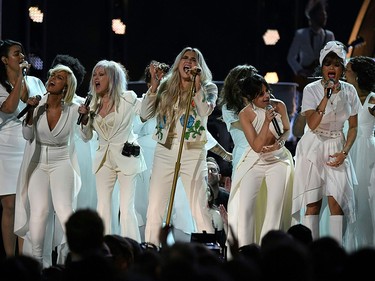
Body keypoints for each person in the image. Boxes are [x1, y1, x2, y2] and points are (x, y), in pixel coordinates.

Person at [140, 47, 218, 247]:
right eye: (185, 58)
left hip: (193, 152)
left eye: (194, 59)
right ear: (178, 63)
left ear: (199, 66)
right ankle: (151, 247)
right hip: (165, 151)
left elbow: (204, 110)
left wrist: (197, 85)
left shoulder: (208, 88)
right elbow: (144, 114)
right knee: (155, 206)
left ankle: (208, 251)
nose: (189, 61)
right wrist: (154, 86)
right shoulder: (166, 87)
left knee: (198, 205)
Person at [291, 41, 361, 248]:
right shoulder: (312, 90)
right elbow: (312, 125)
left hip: (337, 146)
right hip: (313, 146)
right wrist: (325, 97)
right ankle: (309, 254)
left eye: (337, 64)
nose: (332, 68)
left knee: (337, 203)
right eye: (328, 64)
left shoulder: (349, 92)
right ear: (322, 67)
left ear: (342, 68)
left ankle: (335, 257)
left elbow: (354, 126)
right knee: (312, 204)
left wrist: (345, 152)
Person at [14, 64, 81, 266]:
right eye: (52, 75)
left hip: (62, 162)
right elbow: (27, 135)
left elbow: (85, 135)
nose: (52, 78)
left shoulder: (74, 109)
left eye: (59, 77)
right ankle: (37, 264)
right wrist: (30, 111)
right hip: (39, 163)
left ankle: (75, 258)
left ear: (66, 87)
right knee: (39, 211)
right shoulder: (37, 105)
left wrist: (86, 118)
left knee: (64, 210)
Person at [78, 60, 146, 243]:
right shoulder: (92, 105)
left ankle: (133, 248)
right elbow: (85, 136)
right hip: (104, 159)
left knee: (126, 207)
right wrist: (84, 119)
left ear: (113, 78)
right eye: (94, 75)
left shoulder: (129, 98)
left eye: (101, 74)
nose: (96, 78)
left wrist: (154, 88)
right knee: (103, 206)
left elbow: (145, 112)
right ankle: (105, 247)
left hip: (126, 156)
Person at [226, 73, 294, 253]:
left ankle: (268, 253)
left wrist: (280, 142)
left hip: (278, 160)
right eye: (260, 94)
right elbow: (256, 146)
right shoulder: (245, 114)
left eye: (266, 91)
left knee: (274, 208)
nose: (266, 96)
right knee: (246, 208)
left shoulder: (279, 105)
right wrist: (266, 122)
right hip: (254, 161)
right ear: (250, 97)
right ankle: (244, 252)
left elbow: (287, 130)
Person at [0, 39, 46, 258]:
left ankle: (26, 256)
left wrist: (25, 79)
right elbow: (9, 108)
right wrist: (19, 78)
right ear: (4, 60)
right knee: (9, 205)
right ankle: (10, 259)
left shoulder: (36, 81)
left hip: (29, 144)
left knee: (25, 203)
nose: (21, 57)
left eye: (22, 53)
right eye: (16, 54)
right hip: (5, 147)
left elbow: (39, 105)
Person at [287, 0, 335, 137]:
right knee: (302, 107)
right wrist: (299, 71)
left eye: (325, 15)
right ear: (312, 16)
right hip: (304, 77)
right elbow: (291, 57)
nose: (324, 17)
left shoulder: (329, 35)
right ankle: (298, 136)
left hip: (321, 77)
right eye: (321, 14)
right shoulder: (301, 34)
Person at [344, 56, 375, 248]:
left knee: (364, 197)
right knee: (349, 199)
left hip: (366, 151)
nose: (344, 73)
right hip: (348, 148)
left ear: (356, 75)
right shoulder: (346, 96)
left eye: (347, 70)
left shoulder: (372, 98)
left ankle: (367, 245)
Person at [218, 64, 258, 179]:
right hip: (244, 156)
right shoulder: (229, 109)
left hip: (266, 154)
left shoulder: (263, 103)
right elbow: (249, 127)